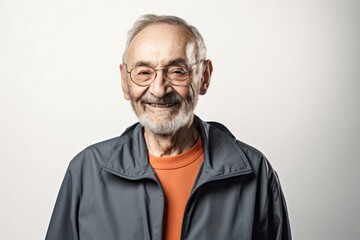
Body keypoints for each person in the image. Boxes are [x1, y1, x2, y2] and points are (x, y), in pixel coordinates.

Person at [46, 14, 291, 240]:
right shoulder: (86, 172)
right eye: (143, 73)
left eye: (177, 71)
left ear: (204, 77)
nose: (159, 89)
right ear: (124, 81)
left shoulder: (255, 173)